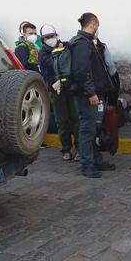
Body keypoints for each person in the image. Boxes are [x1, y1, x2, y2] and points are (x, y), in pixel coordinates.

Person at [71, 12, 115, 178]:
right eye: (98, 26)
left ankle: (97, 161)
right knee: (87, 130)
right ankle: (87, 165)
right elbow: (82, 71)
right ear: (94, 25)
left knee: (94, 129)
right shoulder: (82, 43)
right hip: (87, 95)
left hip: (95, 93)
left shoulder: (88, 42)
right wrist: (91, 93)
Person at [39, 24, 80, 162]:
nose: (50, 39)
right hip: (56, 90)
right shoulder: (43, 53)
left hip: (70, 88)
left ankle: (79, 149)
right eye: (47, 38)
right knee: (62, 121)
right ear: (43, 40)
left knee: (76, 119)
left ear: (56, 35)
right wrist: (54, 83)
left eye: (52, 36)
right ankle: (66, 149)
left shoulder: (66, 46)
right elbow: (47, 69)